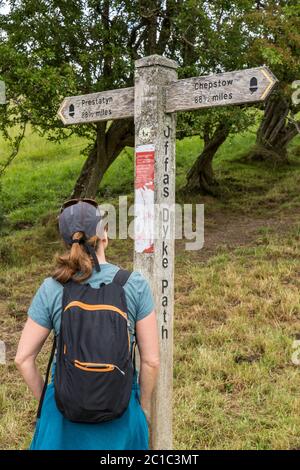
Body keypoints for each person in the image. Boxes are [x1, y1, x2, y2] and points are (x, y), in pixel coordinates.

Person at [15, 198, 160, 450]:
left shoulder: (52, 288)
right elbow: (151, 361)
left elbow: (22, 359)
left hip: (65, 418)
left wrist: (53, 402)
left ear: (65, 240)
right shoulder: (133, 284)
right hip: (121, 415)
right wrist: (142, 409)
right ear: (103, 234)